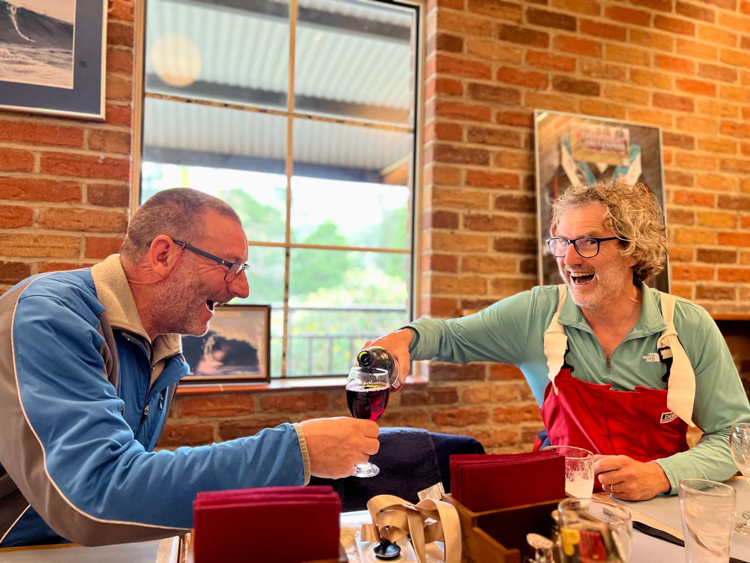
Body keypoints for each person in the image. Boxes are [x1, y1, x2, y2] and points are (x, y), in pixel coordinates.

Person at [0, 188, 379, 547]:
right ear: (163, 254)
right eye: (230, 266)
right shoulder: (49, 317)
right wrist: (295, 451)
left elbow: (133, 484)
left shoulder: (158, 345)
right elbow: (94, 493)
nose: (242, 288)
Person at [364, 181, 750, 502]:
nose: (569, 258)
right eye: (561, 242)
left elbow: (735, 436)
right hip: (562, 501)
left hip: (662, 504)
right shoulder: (538, 312)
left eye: (588, 242)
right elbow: (449, 335)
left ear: (634, 250)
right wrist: (403, 338)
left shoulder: (686, 325)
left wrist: (662, 474)